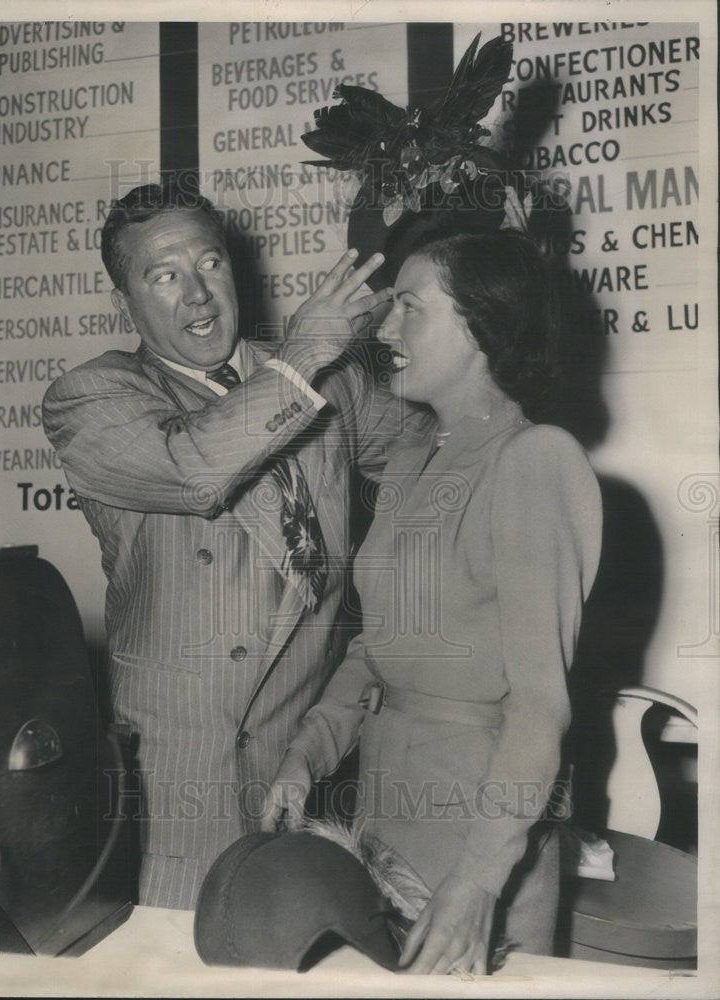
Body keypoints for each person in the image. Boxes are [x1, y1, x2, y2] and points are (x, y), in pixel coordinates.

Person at [42, 180, 423, 910]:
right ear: (125, 301)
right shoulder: (95, 398)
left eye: (210, 264)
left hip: (301, 773)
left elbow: (428, 448)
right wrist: (304, 355)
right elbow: (195, 471)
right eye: (164, 275)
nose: (197, 295)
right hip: (174, 790)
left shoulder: (331, 384)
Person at [262, 229, 603, 973]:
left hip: (478, 843)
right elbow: (374, 648)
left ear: (482, 325)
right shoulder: (413, 459)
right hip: (383, 821)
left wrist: (479, 881)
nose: (384, 331)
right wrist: (305, 756)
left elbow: (541, 708)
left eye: (408, 309)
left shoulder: (535, 461)